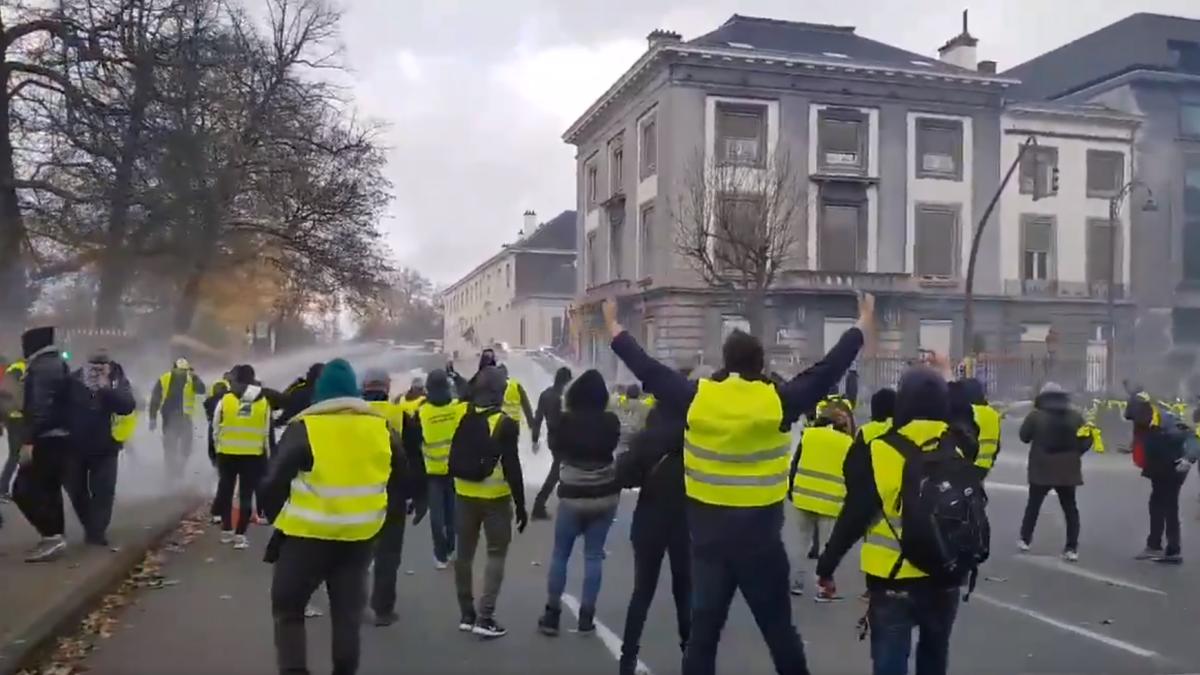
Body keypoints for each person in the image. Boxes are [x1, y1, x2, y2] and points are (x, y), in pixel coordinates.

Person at [606, 293, 872, 675]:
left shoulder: (697, 398)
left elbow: (647, 368)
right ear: (760, 364)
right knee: (781, 635)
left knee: (702, 639)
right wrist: (862, 323)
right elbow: (828, 369)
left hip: (709, 543)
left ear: (725, 362)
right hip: (761, 543)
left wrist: (614, 325)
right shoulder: (777, 401)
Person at [816, 364, 977, 675]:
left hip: (892, 578)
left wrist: (827, 565)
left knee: (890, 661)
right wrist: (950, 378)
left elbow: (854, 517)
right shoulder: (960, 446)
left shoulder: (879, 450)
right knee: (935, 656)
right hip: (946, 574)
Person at [261, 359, 410, 675]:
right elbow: (401, 477)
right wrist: (384, 517)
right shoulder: (381, 428)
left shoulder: (305, 428)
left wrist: (278, 517)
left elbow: (272, 482)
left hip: (305, 539)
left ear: (321, 393)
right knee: (347, 617)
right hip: (358, 540)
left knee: (288, 609)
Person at [615, 365, 702, 675]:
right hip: (686, 521)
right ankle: (691, 657)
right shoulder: (696, 438)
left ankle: (628, 658)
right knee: (685, 592)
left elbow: (624, 476)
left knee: (642, 592)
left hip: (649, 519)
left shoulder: (647, 438)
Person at [537, 369, 622, 637]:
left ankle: (552, 616)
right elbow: (614, 447)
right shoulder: (610, 422)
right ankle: (586, 617)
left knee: (561, 554)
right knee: (594, 555)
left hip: (573, 496)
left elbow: (556, 447)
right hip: (605, 496)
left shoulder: (565, 421)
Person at [451, 366, 527, 639]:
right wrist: (521, 505)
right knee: (496, 553)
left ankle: (466, 614)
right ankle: (485, 616)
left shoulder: (460, 412)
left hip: (463, 494)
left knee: (463, 554)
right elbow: (512, 467)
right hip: (495, 498)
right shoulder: (505, 423)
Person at [360, 368, 428, 626]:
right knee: (388, 555)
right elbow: (414, 457)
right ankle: (382, 610)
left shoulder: (350, 414)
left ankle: (351, 605)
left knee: (354, 554)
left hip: (354, 494)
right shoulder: (399, 414)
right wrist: (417, 496)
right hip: (392, 493)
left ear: (364, 386)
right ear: (387, 387)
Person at [11, 327, 73, 562]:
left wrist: (29, 441)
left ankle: (51, 536)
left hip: (45, 438)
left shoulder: (42, 368)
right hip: (59, 436)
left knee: (23, 489)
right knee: (49, 489)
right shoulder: (56, 363)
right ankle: (55, 538)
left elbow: (40, 408)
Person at [64, 352, 135, 547]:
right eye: (93, 368)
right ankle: (90, 524)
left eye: (101, 368)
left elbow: (127, 405)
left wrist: (106, 390)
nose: (96, 372)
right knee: (75, 489)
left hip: (106, 447)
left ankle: (97, 532)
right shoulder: (73, 380)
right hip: (75, 447)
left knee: (103, 492)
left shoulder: (117, 381)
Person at [787, 399, 855, 599]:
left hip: (803, 496)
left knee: (801, 543)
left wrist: (791, 490)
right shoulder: (847, 444)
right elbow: (852, 474)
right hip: (830, 501)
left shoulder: (809, 435)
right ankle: (823, 587)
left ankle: (797, 583)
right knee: (828, 548)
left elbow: (795, 464)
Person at [1017, 383, 1091, 561]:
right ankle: (1071, 548)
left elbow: (1024, 437)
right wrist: (1075, 453)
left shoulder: (1036, 416)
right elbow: (1087, 439)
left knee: (1033, 505)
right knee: (1070, 508)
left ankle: (1025, 539)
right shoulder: (1075, 416)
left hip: (1041, 468)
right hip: (1068, 469)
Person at [1126, 392, 1199, 564]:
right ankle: (1155, 545)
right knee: (1157, 504)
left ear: (1144, 411)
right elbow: (1144, 438)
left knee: (1169, 506)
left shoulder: (1168, 421)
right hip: (1158, 467)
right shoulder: (1144, 420)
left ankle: (1172, 549)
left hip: (1174, 466)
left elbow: (1193, 438)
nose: (1136, 422)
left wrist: (1189, 458)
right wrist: (1134, 448)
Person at [211, 364, 272, 550]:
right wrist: (267, 456)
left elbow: (215, 426)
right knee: (246, 495)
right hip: (252, 456)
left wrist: (217, 448)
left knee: (226, 491)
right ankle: (240, 535)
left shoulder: (226, 399)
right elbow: (266, 432)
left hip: (226, 453)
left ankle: (226, 531)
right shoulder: (263, 402)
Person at [411, 369, 465, 569]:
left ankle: (441, 553)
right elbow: (470, 393)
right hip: (452, 472)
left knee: (438, 518)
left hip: (434, 473)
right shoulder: (457, 407)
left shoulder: (422, 411)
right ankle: (449, 549)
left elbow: (414, 444)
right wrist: (457, 377)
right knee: (451, 516)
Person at [149, 358, 206, 481]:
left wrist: (195, 378)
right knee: (172, 446)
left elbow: (201, 390)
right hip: (172, 417)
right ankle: (172, 473)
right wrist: (152, 417)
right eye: (180, 370)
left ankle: (177, 470)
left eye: (183, 371)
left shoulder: (190, 379)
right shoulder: (166, 378)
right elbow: (155, 398)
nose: (181, 374)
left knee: (184, 447)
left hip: (182, 417)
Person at [530, 366, 572, 520]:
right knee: (559, 471)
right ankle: (540, 504)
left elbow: (538, 418)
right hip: (565, 438)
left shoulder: (546, 394)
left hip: (553, 438)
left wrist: (535, 439)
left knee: (561, 470)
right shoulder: (565, 397)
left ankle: (546, 504)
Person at [0, 357, 28, 501]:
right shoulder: (19, 378)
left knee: (16, 456)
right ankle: (3, 489)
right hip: (18, 421)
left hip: (14, 421)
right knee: (16, 456)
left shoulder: (9, 378)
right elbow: (17, 401)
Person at [961, 378, 1001, 476]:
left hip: (966, 465)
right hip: (985, 465)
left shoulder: (968, 411)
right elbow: (997, 444)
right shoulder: (993, 414)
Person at [613, 383, 651, 454]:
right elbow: (652, 398)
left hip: (622, 437)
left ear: (627, 395)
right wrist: (642, 393)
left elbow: (615, 395)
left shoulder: (620, 402)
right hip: (636, 438)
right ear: (639, 395)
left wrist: (621, 391)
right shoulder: (644, 404)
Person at [498, 364, 535, 436]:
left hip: (500, 422)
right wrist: (531, 423)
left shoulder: (495, 386)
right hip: (514, 423)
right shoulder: (516, 385)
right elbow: (526, 405)